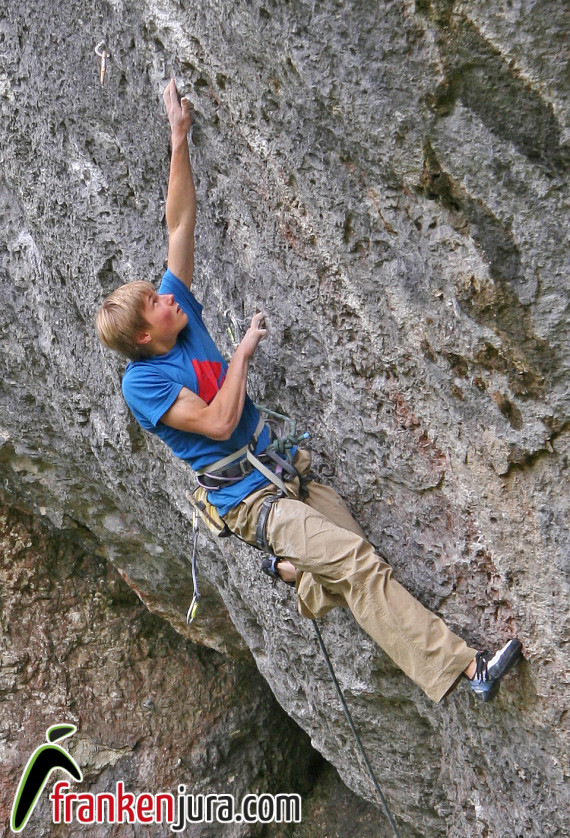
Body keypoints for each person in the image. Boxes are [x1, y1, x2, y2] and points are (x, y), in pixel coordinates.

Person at [96, 79, 522, 704]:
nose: (169, 296)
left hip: (280, 469)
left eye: (162, 292)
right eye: (157, 302)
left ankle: (295, 573)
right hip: (250, 500)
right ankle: (467, 669)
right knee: (358, 565)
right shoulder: (145, 381)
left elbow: (179, 221)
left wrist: (178, 136)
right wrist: (241, 351)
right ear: (142, 332)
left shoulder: (178, 317)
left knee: (356, 566)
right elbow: (215, 424)